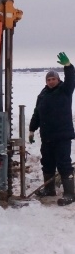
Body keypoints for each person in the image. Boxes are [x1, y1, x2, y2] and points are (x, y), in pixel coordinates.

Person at [29, 52, 75, 206]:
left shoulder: (65, 90)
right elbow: (37, 113)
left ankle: (70, 193)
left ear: (58, 79)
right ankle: (49, 190)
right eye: (48, 79)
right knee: (47, 163)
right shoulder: (42, 94)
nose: (50, 81)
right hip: (47, 137)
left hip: (62, 136)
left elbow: (71, 80)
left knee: (64, 164)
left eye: (53, 79)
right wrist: (31, 129)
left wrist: (68, 66)